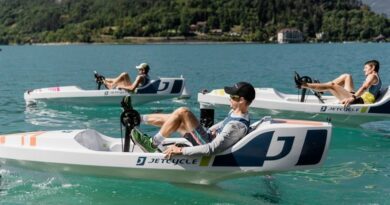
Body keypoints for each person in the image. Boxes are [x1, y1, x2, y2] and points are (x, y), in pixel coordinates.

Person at [131, 82, 256, 158]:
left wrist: (181, 150)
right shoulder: (237, 113)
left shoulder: (237, 125)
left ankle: (152, 144)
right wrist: (211, 130)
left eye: (233, 97)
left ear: (242, 101)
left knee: (183, 112)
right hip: (206, 137)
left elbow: (211, 149)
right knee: (178, 119)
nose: (229, 98)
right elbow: (222, 125)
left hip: (205, 145)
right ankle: (138, 119)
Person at [296, 60, 381, 106]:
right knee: (347, 76)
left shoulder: (372, 76)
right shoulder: (376, 77)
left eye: (365, 67)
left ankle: (303, 85)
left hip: (359, 101)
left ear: (373, 67)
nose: (364, 70)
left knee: (332, 85)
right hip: (358, 97)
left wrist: (353, 98)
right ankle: (321, 89)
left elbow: (364, 87)